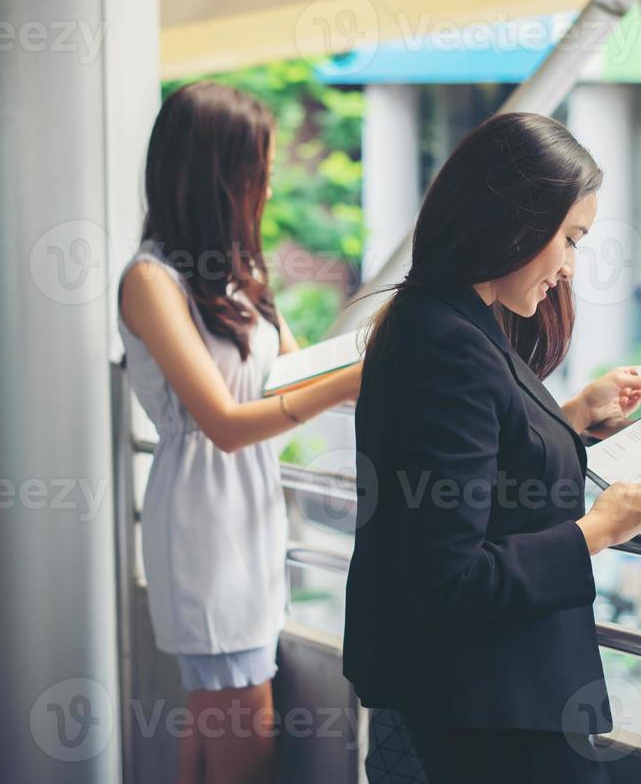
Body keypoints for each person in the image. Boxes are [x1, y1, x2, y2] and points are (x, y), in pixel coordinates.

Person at [344, 112, 641, 784]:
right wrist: (597, 529)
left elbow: (469, 469)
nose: (567, 267)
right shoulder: (447, 343)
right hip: (490, 710)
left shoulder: (443, 319)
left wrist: (573, 417)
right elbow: (452, 576)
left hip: (482, 698)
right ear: (512, 222)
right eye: (568, 239)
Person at [118, 82, 363, 783]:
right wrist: (347, 382)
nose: (271, 178)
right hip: (202, 517)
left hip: (250, 511)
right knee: (242, 729)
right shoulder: (150, 280)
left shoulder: (242, 274)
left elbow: (296, 374)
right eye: (260, 162)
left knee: (213, 712)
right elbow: (222, 424)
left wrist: (379, 357)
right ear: (216, 172)